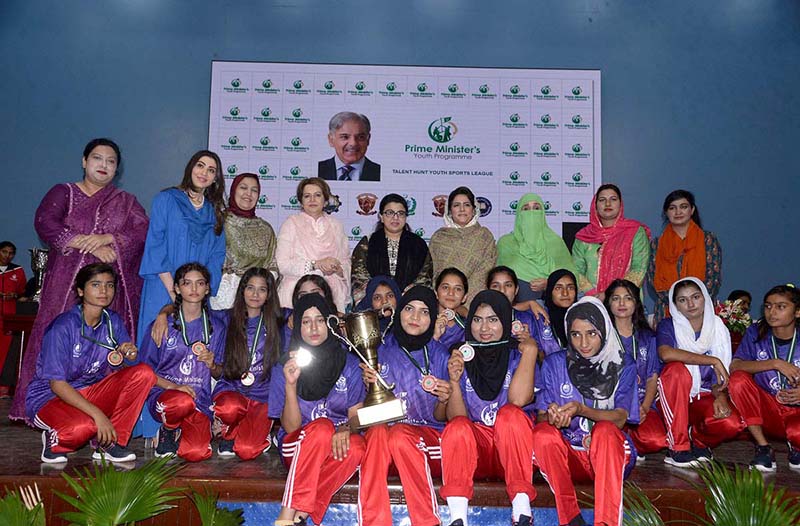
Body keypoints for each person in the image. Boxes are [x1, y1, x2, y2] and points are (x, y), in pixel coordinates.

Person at [11, 138, 149, 423]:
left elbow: (141, 231)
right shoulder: (64, 192)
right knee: (58, 341)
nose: (104, 165)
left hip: (108, 291)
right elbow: (45, 222)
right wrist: (86, 243)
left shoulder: (126, 201)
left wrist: (109, 239)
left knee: (106, 343)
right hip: (66, 286)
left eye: (111, 161)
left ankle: (102, 411)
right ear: (84, 161)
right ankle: (48, 410)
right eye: (97, 158)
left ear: (118, 169)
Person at [25, 263, 156, 464]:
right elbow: (57, 384)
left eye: (109, 285)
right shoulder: (63, 326)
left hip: (90, 392)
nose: (104, 291)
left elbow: (129, 367)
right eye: (96, 284)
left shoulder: (113, 321)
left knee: (144, 373)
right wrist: (98, 415)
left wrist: (129, 356)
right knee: (84, 428)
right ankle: (54, 441)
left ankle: (111, 444)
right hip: (50, 397)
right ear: (80, 290)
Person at [532, 296, 640, 526]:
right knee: (542, 434)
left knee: (605, 431)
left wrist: (582, 410)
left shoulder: (623, 364)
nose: (583, 342)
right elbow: (541, 416)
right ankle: (570, 517)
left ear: (604, 330)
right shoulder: (554, 363)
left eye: (591, 333)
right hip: (570, 455)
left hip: (610, 455)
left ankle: (606, 522)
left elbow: (621, 418)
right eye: (575, 334)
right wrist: (552, 417)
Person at [440, 290, 539, 526]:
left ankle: (522, 509)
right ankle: (458, 517)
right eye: (477, 319)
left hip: (516, 450)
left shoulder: (518, 353)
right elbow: (457, 419)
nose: (484, 328)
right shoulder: (460, 355)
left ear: (505, 321)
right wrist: (454, 381)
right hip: (478, 450)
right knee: (458, 428)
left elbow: (518, 399)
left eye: (493, 320)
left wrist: (530, 352)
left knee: (511, 415)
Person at [269, 294, 366, 526]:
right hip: (298, 446)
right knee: (322, 428)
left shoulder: (349, 363)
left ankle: (301, 516)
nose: (313, 328)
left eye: (320, 320)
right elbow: (291, 428)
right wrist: (291, 385)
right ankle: (286, 516)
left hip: (336, 443)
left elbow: (355, 416)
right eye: (306, 321)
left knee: (358, 447)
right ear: (297, 326)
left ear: (330, 323)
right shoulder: (285, 365)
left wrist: (345, 427)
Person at [358, 285, 451, 526]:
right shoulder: (379, 350)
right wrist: (368, 387)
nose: (415, 317)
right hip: (386, 443)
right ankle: (374, 522)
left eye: (424, 311)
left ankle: (427, 522)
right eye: (409, 308)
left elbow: (441, 418)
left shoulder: (441, 355)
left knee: (399, 434)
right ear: (399, 311)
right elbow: (364, 415)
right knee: (377, 432)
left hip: (427, 441)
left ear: (432, 318)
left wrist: (444, 400)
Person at [138, 150, 227, 348]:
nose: (204, 172)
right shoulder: (166, 199)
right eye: (200, 165)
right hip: (163, 286)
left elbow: (217, 256)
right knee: (156, 345)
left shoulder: (215, 212)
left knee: (194, 349)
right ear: (190, 168)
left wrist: (199, 291)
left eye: (211, 170)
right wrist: (175, 292)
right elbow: (156, 245)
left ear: (215, 179)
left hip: (196, 293)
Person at [140, 263, 227, 462]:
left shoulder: (217, 327)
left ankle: (184, 431)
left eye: (200, 283)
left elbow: (221, 373)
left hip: (199, 400)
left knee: (196, 453)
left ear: (207, 288)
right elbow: (144, 372)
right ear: (177, 289)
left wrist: (213, 365)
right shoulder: (162, 325)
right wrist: (174, 387)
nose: (194, 289)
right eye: (187, 283)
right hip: (166, 396)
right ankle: (168, 430)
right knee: (181, 401)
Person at [656, 277, 744, 467]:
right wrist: (712, 360)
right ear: (675, 305)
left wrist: (720, 396)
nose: (690, 304)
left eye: (695, 297)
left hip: (704, 396)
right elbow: (666, 353)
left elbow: (719, 378)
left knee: (731, 423)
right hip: (673, 400)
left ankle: (698, 441)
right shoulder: (668, 325)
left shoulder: (718, 328)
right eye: (682, 300)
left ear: (705, 297)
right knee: (676, 370)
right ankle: (677, 447)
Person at [212, 268, 282, 460]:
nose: (255, 294)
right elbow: (192, 308)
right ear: (242, 290)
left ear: (269, 294)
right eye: (250, 288)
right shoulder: (226, 318)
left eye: (262, 289)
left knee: (247, 451)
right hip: (232, 388)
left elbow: (306, 311)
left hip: (263, 395)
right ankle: (229, 431)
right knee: (229, 408)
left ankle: (258, 432)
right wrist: (164, 313)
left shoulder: (279, 320)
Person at [729, 284, 800, 471]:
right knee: (738, 380)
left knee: (797, 433)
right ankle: (763, 447)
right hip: (768, 409)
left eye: (781, 307)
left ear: (797, 312)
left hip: (797, 411)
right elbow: (735, 366)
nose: (772, 312)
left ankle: (796, 446)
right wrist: (775, 363)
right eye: (768, 306)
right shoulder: (756, 332)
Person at [604, 279, 667, 459]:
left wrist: (645, 407)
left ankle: (627, 442)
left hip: (641, 402)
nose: (622, 303)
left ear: (636, 303)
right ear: (609, 303)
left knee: (656, 440)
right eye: (616, 298)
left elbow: (652, 377)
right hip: (610, 406)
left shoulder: (648, 338)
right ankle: (623, 441)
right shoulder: (600, 338)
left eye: (628, 298)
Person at [276, 177, 351, 312]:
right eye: (307, 196)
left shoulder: (336, 226)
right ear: (301, 201)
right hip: (297, 292)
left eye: (317, 195)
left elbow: (346, 261)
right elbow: (282, 264)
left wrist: (337, 269)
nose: (312, 200)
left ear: (325, 200)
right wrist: (315, 264)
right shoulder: (291, 224)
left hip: (332, 293)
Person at [648, 190, 722, 323]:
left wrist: (692, 303)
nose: (678, 212)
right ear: (666, 212)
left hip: (701, 313)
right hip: (667, 312)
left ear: (692, 210)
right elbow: (653, 280)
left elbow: (713, 278)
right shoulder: (656, 244)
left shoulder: (707, 239)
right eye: (672, 208)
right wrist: (678, 303)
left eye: (683, 207)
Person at [210, 173, 279, 310]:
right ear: (233, 190)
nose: (249, 194)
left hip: (257, 299)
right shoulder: (218, 221)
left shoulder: (265, 228)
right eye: (243, 188)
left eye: (254, 190)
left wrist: (258, 286)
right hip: (224, 297)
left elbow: (272, 265)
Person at [350, 193, 432, 307]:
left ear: (406, 217)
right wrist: (378, 297)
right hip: (374, 304)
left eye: (400, 213)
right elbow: (359, 277)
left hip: (409, 305)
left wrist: (404, 298)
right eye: (390, 213)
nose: (395, 217)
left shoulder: (419, 245)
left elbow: (424, 278)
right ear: (381, 217)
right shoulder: (368, 242)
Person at [571, 184, 651, 300]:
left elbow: (639, 269)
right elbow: (576, 270)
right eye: (602, 200)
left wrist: (610, 294)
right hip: (592, 300)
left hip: (626, 301)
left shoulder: (635, 232)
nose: (607, 204)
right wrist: (593, 294)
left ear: (620, 204)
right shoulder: (584, 237)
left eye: (613, 199)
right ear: (595, 205)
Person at [497, 193, 575, 302]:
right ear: (519, 214)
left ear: (542, 213)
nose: (531, 213)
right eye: (526, 209)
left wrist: (550, 283)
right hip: (513, 306)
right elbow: (497, 279)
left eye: (536, 208)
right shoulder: (506, 243)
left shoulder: (555, 242)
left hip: (550, 306)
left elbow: (570, 277)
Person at [429, 187, 497, 304]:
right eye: (456, 205)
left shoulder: (485, 237)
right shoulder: (438, 238)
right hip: (443, 303)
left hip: (477, 302)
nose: (462, 209)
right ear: (449, 211)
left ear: (474, 210)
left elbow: (486, 272)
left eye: (467, 205)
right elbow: (432, 273)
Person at [487, 266, 561, 358]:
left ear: (516, 290)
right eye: (495, 286)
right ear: (488, 290)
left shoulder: (529, 319)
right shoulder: (479, 319)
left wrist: (531, 344)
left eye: (508, 285)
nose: (502, 290)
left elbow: (549, 359)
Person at [318, 112, 380, 181]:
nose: (353, 143)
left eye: (360, 137)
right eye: (345, 137)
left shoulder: (379, 172)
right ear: (331, 140)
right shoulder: (318, 170)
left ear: (368, 140)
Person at [0, 241, 26, 397]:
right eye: (4, 252)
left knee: (7, 352)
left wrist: (15, 295)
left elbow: (22, 293)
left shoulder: (18, 271)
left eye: (11, 253)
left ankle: (4, 386)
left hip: (9, 317)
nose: (7, 256)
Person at [543, 269, 579, 351]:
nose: (565, 293)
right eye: (558, 288)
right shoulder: (540, 318)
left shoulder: (584, 317)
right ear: (550, 291)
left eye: (570, 288)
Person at [435, 268, 469, 350]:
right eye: (445, 287)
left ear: (464, 297)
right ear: (436, 293)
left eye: (458, 289)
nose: (451, 293)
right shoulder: (424, 321)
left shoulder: (468, 328)